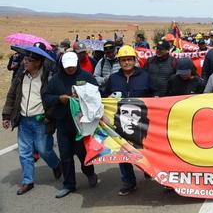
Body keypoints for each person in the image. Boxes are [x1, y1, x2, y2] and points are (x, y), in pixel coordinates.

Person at [2, 46, 62, 195]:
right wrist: (6, 115)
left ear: (39, 62)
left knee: (43, 150)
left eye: (29, 60)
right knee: (24, 152)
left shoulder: (48, 77)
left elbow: (55, 99)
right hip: (23, 120)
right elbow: (11, 96)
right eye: (25, 58)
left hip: (41, 120)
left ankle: (56, 165)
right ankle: (27, 181)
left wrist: (50, 116)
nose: (25, 61)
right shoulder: (21, 75)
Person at [42, 52, 99, 198]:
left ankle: (89, 172)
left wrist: (83, 97)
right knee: (65, 155)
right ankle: (69, 184)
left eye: (73, 66)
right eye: (67, 67)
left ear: (77, 63)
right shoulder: (56, 79)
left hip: (81, 124)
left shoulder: (86, 77)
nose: (70, 69)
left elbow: (97, 95)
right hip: (63, 124)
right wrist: (58, 98)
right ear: (62, 65)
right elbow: (46, 97)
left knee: (82, 154)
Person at [103, 45, 151, 196]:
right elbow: (104, 96)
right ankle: (129, 182)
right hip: (120, 122)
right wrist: (107, 99)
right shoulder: (113, 78)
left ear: (134, 60)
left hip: (141, 122)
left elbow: (155, 95)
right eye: (123, 60)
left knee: (146, 150)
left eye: (129, 59)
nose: (126, 63)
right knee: (123, 153)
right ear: (119, 61)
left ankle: (150, 171)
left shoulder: (145, 76)